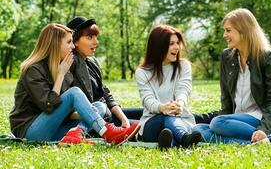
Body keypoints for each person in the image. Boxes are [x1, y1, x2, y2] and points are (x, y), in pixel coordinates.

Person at [9, 23, 140, 145]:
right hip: (30, 131)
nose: (72, 46)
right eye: (69, 42)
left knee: (99, 106)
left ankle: (75, 134)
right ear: (55, 44)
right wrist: (60, 75)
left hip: (53, 129)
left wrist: (85, 113)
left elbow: (62, 109)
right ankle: (108, 133)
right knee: (74, 92)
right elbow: (48, 105)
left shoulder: (62, 67)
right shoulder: (33, 69)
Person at [193, 8, 271, 144]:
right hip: (234, 118)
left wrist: (263, 129)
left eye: (228, 30)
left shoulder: (266, 56)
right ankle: (262, 142)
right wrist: (222, 122)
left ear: (244, 30)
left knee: (217, 123)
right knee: (197, 129)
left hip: (258, 118)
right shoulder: (227, 57)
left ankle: (266, 135)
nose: (224, 35)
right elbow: (226, 99)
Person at [66, 16, 142, 129]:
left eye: (96, 37)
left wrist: (123, 118)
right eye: (89, 37)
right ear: (75, 41)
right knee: (145, 125)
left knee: (146, 113)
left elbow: (105, 94)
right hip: (96, 119)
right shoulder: (70, 64)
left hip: (108, 112)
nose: (96, 42)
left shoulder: (92, 61)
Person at [135, 24, 202, 148]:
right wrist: (162, 108)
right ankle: (184, 138)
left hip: (180, 118)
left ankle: (168, 141)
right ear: (158, 46)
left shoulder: (184, 66)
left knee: (168, 130)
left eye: (177, 43)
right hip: (152, 123)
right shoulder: (142, 72)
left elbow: (183, 88)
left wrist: (180, 104)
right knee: (167, 116)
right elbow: (147, 99)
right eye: (171, 44)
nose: (176, 47)